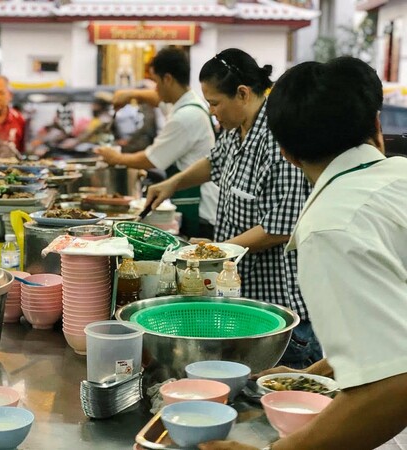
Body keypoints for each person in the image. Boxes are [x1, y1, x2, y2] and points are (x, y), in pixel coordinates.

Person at [199, 56, 407, 450]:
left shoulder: (331, 227)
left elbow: (394, 385)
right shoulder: (398, 179)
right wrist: (322, 370)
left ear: (286, 154)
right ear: (377, 127)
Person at [145, 48, 319, 368]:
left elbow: (284, 223)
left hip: (281, 317)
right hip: (244, 300)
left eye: (214, 103)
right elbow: (214, 162)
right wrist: (173, 183)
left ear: (242, 93)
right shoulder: (236, 129)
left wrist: (214, 250)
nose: (212, 112)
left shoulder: (277, 135)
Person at [96, 47, 219, 239]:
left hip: (197, 208)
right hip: (194, 201)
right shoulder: (190, 101)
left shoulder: (185, 117)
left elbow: (151, 159)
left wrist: (116, 157)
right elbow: (158, 99)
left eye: (155, 82)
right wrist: (131, 94)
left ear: (167, 79)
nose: (155, 89)